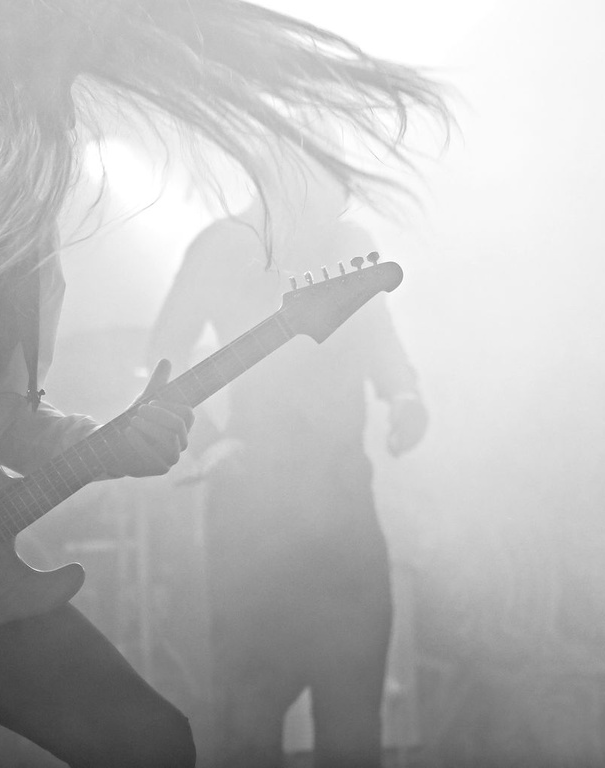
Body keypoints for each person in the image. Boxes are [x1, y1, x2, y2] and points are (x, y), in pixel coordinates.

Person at [0, 0, 449, 766]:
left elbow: (7, 424)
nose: (42, 147)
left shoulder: (20, 233)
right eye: (22, 122)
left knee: (151, 744)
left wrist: (105, 443)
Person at [147, 154, 429, 768]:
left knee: (354, 729)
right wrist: (207, 441)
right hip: (252, 516)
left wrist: (404, 395)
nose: (335, 204)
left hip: (346, 512)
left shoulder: (348, 243)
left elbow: (380, 336)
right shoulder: (221, 246)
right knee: (249, 727)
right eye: (324, 187)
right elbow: (163, 356)